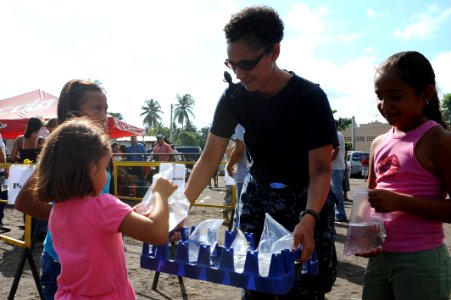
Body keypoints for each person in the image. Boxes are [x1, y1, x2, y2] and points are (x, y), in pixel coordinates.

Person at [183, 6, 338, 299]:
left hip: (305, 202)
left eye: (248, 64)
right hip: (257, 199)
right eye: (233, 65)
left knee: (305, 287)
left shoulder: (310, 99)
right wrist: (181, 207)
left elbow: (320, 169)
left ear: (274, 52)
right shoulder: (234, 97)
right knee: (252, 281)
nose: (240, 74)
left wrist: (309, 216)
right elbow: (209, 158)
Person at [35, 118, 175, 299]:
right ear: (92, 168)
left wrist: (134, 216)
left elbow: (94, 231)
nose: (107, 174)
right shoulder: (103, 206)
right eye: (105, 167)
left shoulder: (58, 210)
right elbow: (157, 233)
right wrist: (160, 194)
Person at [361, 51, 451, 299]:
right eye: (380, 97)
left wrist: (400, 202)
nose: (385, 105)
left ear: (426, 94)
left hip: (421, 260)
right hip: (380, 260)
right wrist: (366, 236)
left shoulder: (438, 140)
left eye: (396, 96)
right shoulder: (379, 142)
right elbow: (370, 199)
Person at [15, 79, 111, 300]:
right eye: (96, 108)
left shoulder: (101, 150)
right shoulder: (59, 153)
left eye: (106, 108)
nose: (104, 116)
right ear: (74, 113)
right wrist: (69, 219)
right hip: (62, 260)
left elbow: (103, 199)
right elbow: (24, 201)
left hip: (95, 257)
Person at [226, 124, 250, 229]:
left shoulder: (241, 122)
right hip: (262, 176)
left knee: (241, 216)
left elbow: (239, 149)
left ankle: (237, 242)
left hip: (244, 175)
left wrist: (229, 166)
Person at [331, 121, 347, 222]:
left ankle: (341, 214)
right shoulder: (337, 134)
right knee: (334, 193)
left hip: (336, 168)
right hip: (336, 168)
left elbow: (336, 150)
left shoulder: (337, 134)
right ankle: (337, 213)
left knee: (337, 193)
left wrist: (327, 162)